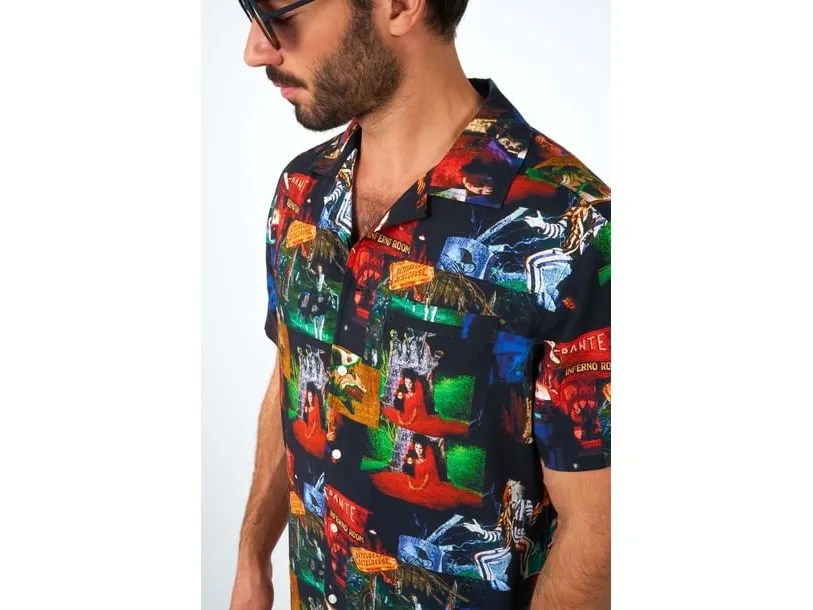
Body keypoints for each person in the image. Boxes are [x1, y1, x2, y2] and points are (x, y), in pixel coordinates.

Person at [231, 1, 610, 609]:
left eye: (279, 11)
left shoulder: (574, 227)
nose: (256, 49)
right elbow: (293, 376)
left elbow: (601, 532)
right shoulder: (301, 192)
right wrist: (252, 556)